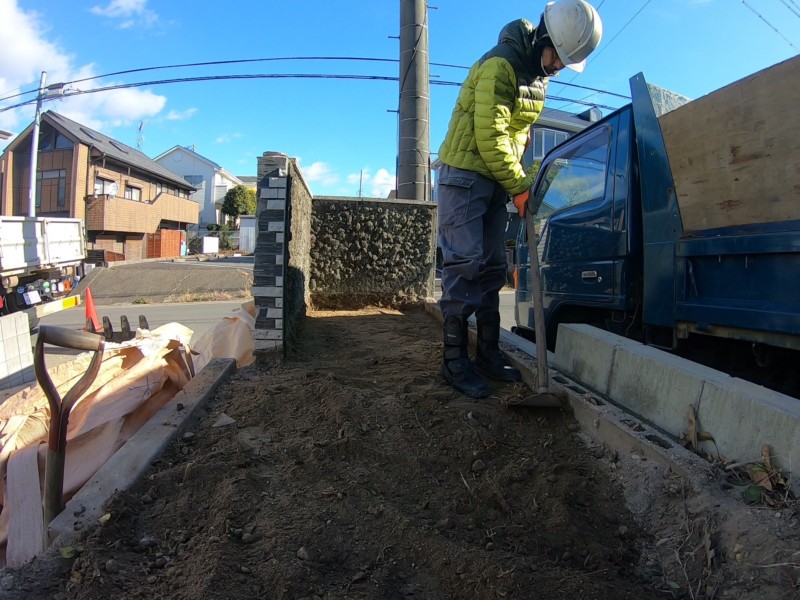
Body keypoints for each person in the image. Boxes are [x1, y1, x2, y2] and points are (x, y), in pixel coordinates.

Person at [436, 0, 603, 398]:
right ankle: (453, 360)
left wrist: (531, 181)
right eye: (558, 57)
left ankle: (488, 352)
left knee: (493, 266)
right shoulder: (500, 65)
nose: (558, 67)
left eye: (565, 62)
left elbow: (518, 138)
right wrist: (519, 187)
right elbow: (490, 137)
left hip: (495, 179)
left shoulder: (538, 79)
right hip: (464, 175)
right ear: (544, 39)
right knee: (464, 264)